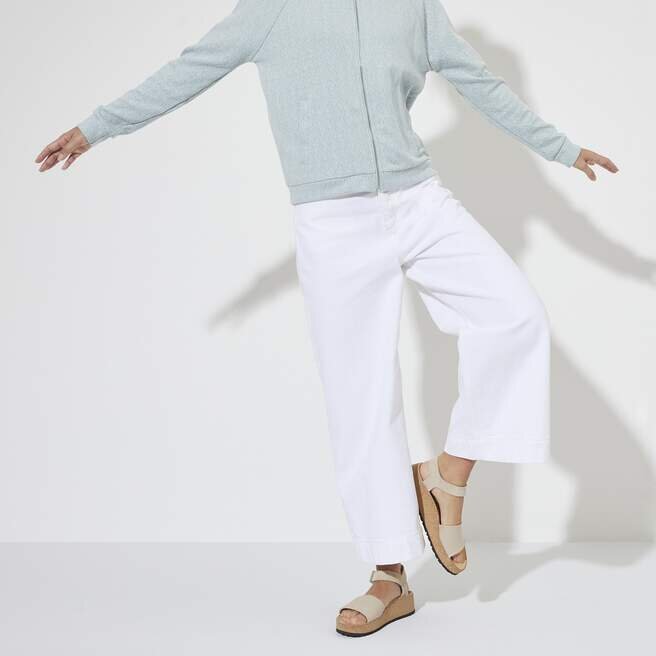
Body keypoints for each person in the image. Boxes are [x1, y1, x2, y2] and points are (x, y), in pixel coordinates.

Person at [34, 0, 618, 638]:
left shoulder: (415, 7)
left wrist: (560, 148)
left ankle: (447, 477)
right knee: (361, 395)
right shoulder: (273, 10)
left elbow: (480, 81)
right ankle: (388, 578)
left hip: (419, 200)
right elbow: (190, 69)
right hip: (333, 222)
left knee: (515, 316)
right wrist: (96, 127)